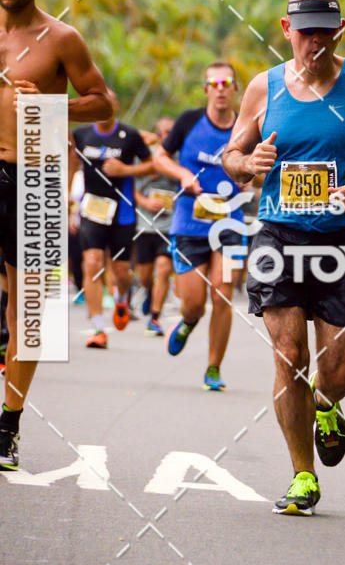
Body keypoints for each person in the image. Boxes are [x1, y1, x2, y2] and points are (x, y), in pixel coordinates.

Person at [223, 0, 345, 515]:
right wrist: (245, 165)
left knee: (340, 371)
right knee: (289, 356)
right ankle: (303, 475)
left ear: (340, 30)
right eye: (306, 33)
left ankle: (327, 404)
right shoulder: (264, 88)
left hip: (344, 240)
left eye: (326, 32)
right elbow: (231, 153)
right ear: (286, 31)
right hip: (279, 234)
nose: (315, 43)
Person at [0, 0, 112, 470]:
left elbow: (101, 101)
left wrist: (49, 103)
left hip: (38, 175)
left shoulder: (61, 38)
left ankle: (8, 425)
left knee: (32, 313)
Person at [153, 62, 246, 391]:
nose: (220, 88)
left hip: (231, 221)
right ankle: (188, 322)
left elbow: (261, 164)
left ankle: (213, 368)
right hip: (190, 221)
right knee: (193, 302)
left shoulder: (247, 126)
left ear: (235, 88)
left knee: (222, 295)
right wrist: (182, 175)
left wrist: (250, 175)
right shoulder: (189, 121)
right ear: (206, 88)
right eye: (213, 83)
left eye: (226, 83)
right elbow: (160, 157)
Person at [72, 89, 154, 348]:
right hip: (92, 210)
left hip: (123, 212)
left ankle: (121, 297)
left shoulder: (129, 135)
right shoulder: (82, 135)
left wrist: (126, 169)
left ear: (116, 105)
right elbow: (72, 164)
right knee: (92, 263)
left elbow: (152, 165)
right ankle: (98, 328)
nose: (105, 106)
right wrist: (67, 199)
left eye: (110, 101)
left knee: (121, 272)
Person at [134, 117, 177, 336]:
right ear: (158, 135)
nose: (169, 136)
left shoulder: (180, 157)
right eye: (165, 132)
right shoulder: (144, 157)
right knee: (144, 275)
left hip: (169, 225)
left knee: (164, 268)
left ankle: (154, 317)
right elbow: (132, 188)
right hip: (145, 223)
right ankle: (149, 292)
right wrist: (146, 203)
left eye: (173, 132)